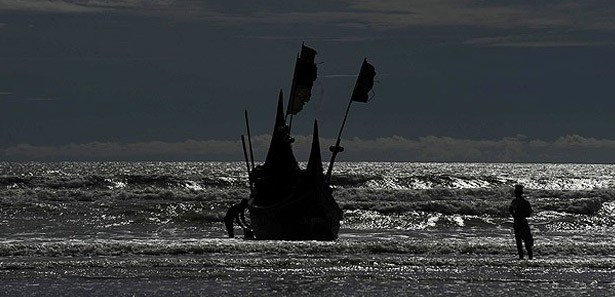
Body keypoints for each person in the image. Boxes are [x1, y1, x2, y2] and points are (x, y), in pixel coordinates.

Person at [509, 184, 534, 260]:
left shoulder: (515, 201)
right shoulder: (525, 202)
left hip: (517, 222)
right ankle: (530, 257)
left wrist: (514, 215)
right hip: (523, 221)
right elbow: (529, 213)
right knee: (527, 240)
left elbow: (510, 209)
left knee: (518, 240)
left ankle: (521, 257)